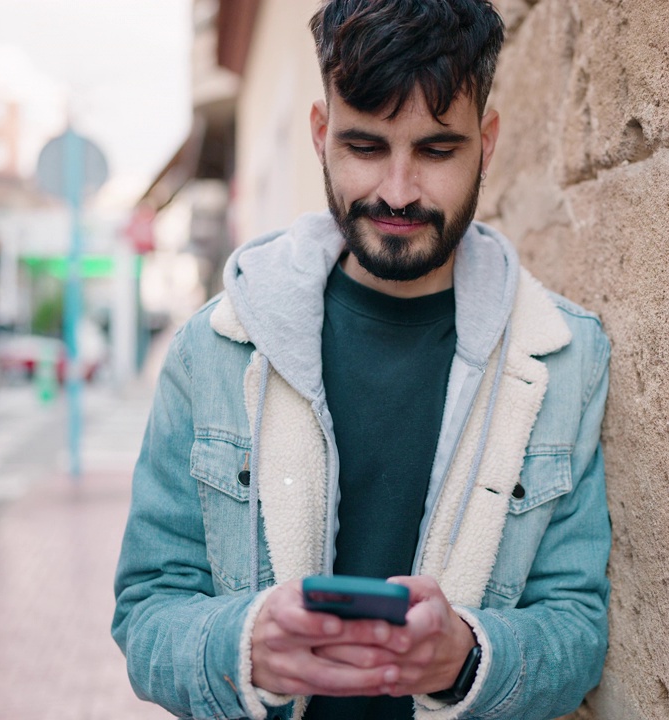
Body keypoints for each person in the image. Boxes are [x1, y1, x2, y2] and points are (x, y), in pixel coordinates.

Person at [111, 1, 611, 718]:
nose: (399, 191)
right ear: (320, 135)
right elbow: (146, 610)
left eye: (437, 151)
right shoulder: (215, 348)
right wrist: (243, 645)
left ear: (487, 143)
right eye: (366, 147)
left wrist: (468, 657)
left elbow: (578, 627)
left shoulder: (566, 358)